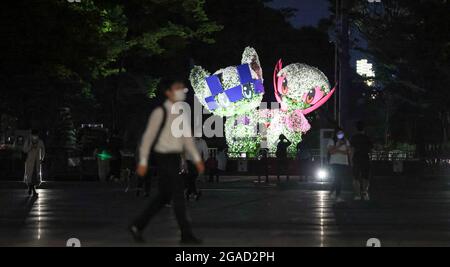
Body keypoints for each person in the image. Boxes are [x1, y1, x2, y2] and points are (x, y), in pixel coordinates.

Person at [129, 77, 205, 245]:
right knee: (178, 195)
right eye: (178, 89)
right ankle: (186, 234)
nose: (182, 92)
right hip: (165, 158)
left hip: (173, 158)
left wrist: (196, 159)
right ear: (169, 93)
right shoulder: (161, 112)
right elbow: (148, 138)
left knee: (164, 196)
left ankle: (137, 225)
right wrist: (142, 162)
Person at [350, 121, 373, 201]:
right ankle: (365, 192)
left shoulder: (354, 137)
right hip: (365, 158)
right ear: (364, 128)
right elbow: (371, 150)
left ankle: (357, 195)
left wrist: (351, 160)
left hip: (356, 158)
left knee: (355, 178)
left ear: (356, 128)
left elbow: (352, 150)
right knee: (365, 177)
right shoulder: (367, 138)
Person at [328, 128, 352, 203]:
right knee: (338, 179)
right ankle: (337, 196)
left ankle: (331, 192)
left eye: (342, 133)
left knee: (337, 178)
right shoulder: (332, 141)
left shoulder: (346, 141)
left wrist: (337, 150)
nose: (341, 134)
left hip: (343, 162)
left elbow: (347, 152)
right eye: (339, 133)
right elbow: (331, 152)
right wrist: (339, 146)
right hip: (334, 162)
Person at [23, 130, 45, 197]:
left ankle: (31, 189)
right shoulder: (28, 141)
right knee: (30, 176)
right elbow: (24, 150)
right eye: (34, 135)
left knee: (35, 177)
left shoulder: (40, 141)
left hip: (37, 162)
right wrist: (30, 147)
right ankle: (33, 191)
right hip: (29, 162)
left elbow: (43, 149)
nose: (35, 137)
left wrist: (42, 158)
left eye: (36, 135)